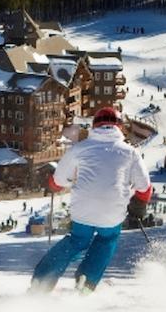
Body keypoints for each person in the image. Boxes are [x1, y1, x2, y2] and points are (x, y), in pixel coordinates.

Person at [30, 106, 152, 294]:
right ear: (119, 127)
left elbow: (58, 180)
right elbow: (144, 187)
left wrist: (52, 185)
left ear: (95, 126)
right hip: (112, 212)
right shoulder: (130, 152)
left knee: (77, 240)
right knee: (107, 239)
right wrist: (139, 205)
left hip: (83, 209)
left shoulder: (80, 148)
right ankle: (87, 281)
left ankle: (43, 280)